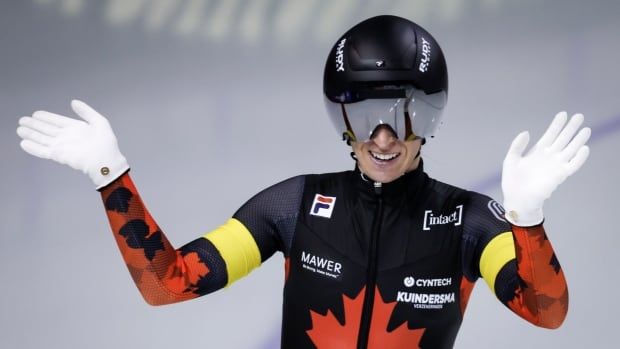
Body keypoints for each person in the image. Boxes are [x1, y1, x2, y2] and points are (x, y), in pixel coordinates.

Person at [16, 15, 590, 349]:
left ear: (429, 117)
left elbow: (547, 313)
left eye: (401, 114)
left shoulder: (468, 222)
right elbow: (170, 284)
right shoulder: (292, 206)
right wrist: (110, 177)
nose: (383, 138)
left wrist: (527, 220)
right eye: (364, 116)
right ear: (341, 120)